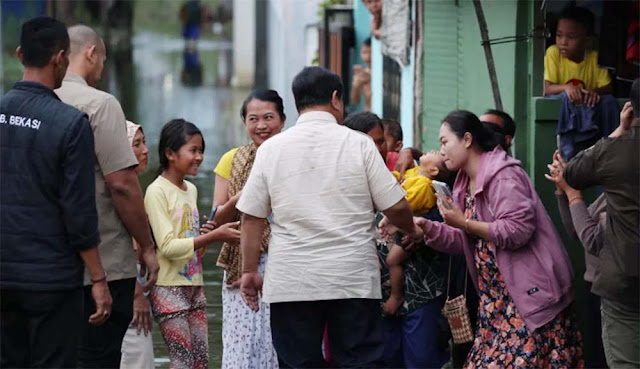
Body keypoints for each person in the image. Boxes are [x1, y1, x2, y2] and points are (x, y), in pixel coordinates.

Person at [237, 66, 418, 368]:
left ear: (296, 104)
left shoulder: (272, 149)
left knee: (299, 363)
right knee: (359, 362)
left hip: (292, 281)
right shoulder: (359, 144)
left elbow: (252, 217)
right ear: (336, 99)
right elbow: (396, 206)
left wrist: (250, 270)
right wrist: (411, 228)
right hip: (352, 279)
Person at [388, 110, 584, 368]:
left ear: (467, 139)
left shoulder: (503, 175)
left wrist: (464, 222)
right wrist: (428, 229)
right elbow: (466, 240)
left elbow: (517, 231)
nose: (441, 150)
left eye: (445, 141)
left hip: (529, 301)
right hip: (496, 304)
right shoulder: (461, 183)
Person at [0, 16, 111, 367]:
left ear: (20, 54)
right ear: (60, 58)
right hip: (51, 280)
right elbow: (78, 212)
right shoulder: (69, 123)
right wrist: (98, 278)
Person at [55, 24, 160, 368]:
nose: (101, 67)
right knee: (98, 356)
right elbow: (122, 184)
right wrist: (145, 244)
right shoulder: (99, 104)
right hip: (104, 262)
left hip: (42, 265)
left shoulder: (28, 104)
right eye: (102, 58)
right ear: (90, 53)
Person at [343, 112, 450, 368]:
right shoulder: (341, 183)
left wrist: (423, 232)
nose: (378, 149)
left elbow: (439, 211)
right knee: (385, 358)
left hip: (421, 288)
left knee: (421, 359)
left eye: (381, 142)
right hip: (372, 294)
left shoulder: (403, 173)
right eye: (370, 143)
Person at [144, 119, 241, 369]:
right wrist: (214, 235)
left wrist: (205, 235)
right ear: (170, 154)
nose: (199, 157)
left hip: (194, 284)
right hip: (168, 288)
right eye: (193, 150)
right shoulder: (157, 192)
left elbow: (192, 246)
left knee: (200, 361)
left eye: (201, 150)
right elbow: (167, 247)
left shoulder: (192, 190)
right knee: (182, 361)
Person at [563, 78, 640, 368]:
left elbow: (573, 174)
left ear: (631, 108)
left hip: (625, 278)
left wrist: (621, 130)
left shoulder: (617, 150)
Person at [212, 89, 284, 369]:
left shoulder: (290, 156)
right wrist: (242, 197)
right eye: (253, 118)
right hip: (241, 262)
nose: (261, 125)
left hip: (284, 260)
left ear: (283, 119)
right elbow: (216, 219)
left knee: (276, 341)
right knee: (240, 343)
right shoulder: (232, 159)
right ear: (244, 122)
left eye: (269, 117)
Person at [544, 6, 619, 160]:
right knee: (566, 98)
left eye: (571, 37)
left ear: (587, 40)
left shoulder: (594, 57)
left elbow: (608, 87)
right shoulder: (553, 53)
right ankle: (569, 148)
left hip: (588, 105)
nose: (563, 42)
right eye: (559, 35)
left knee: (608, 101)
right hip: (566, 105)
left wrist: (595, 92)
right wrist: (567, 88)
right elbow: (548, 88)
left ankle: (611, 147)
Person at [120, 121, 154, 369]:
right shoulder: (118, 196)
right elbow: (115, 252)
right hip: (128, 296)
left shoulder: (135, 192)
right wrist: (136, 296)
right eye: (136, 144)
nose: (145, 150)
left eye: (144, 142)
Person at [351, 37, 372, 111]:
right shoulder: (363, 73)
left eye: (370, 52)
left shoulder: (385, 74)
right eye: (364, 52)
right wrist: (356, 86)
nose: (367, 57)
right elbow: (355, 101)